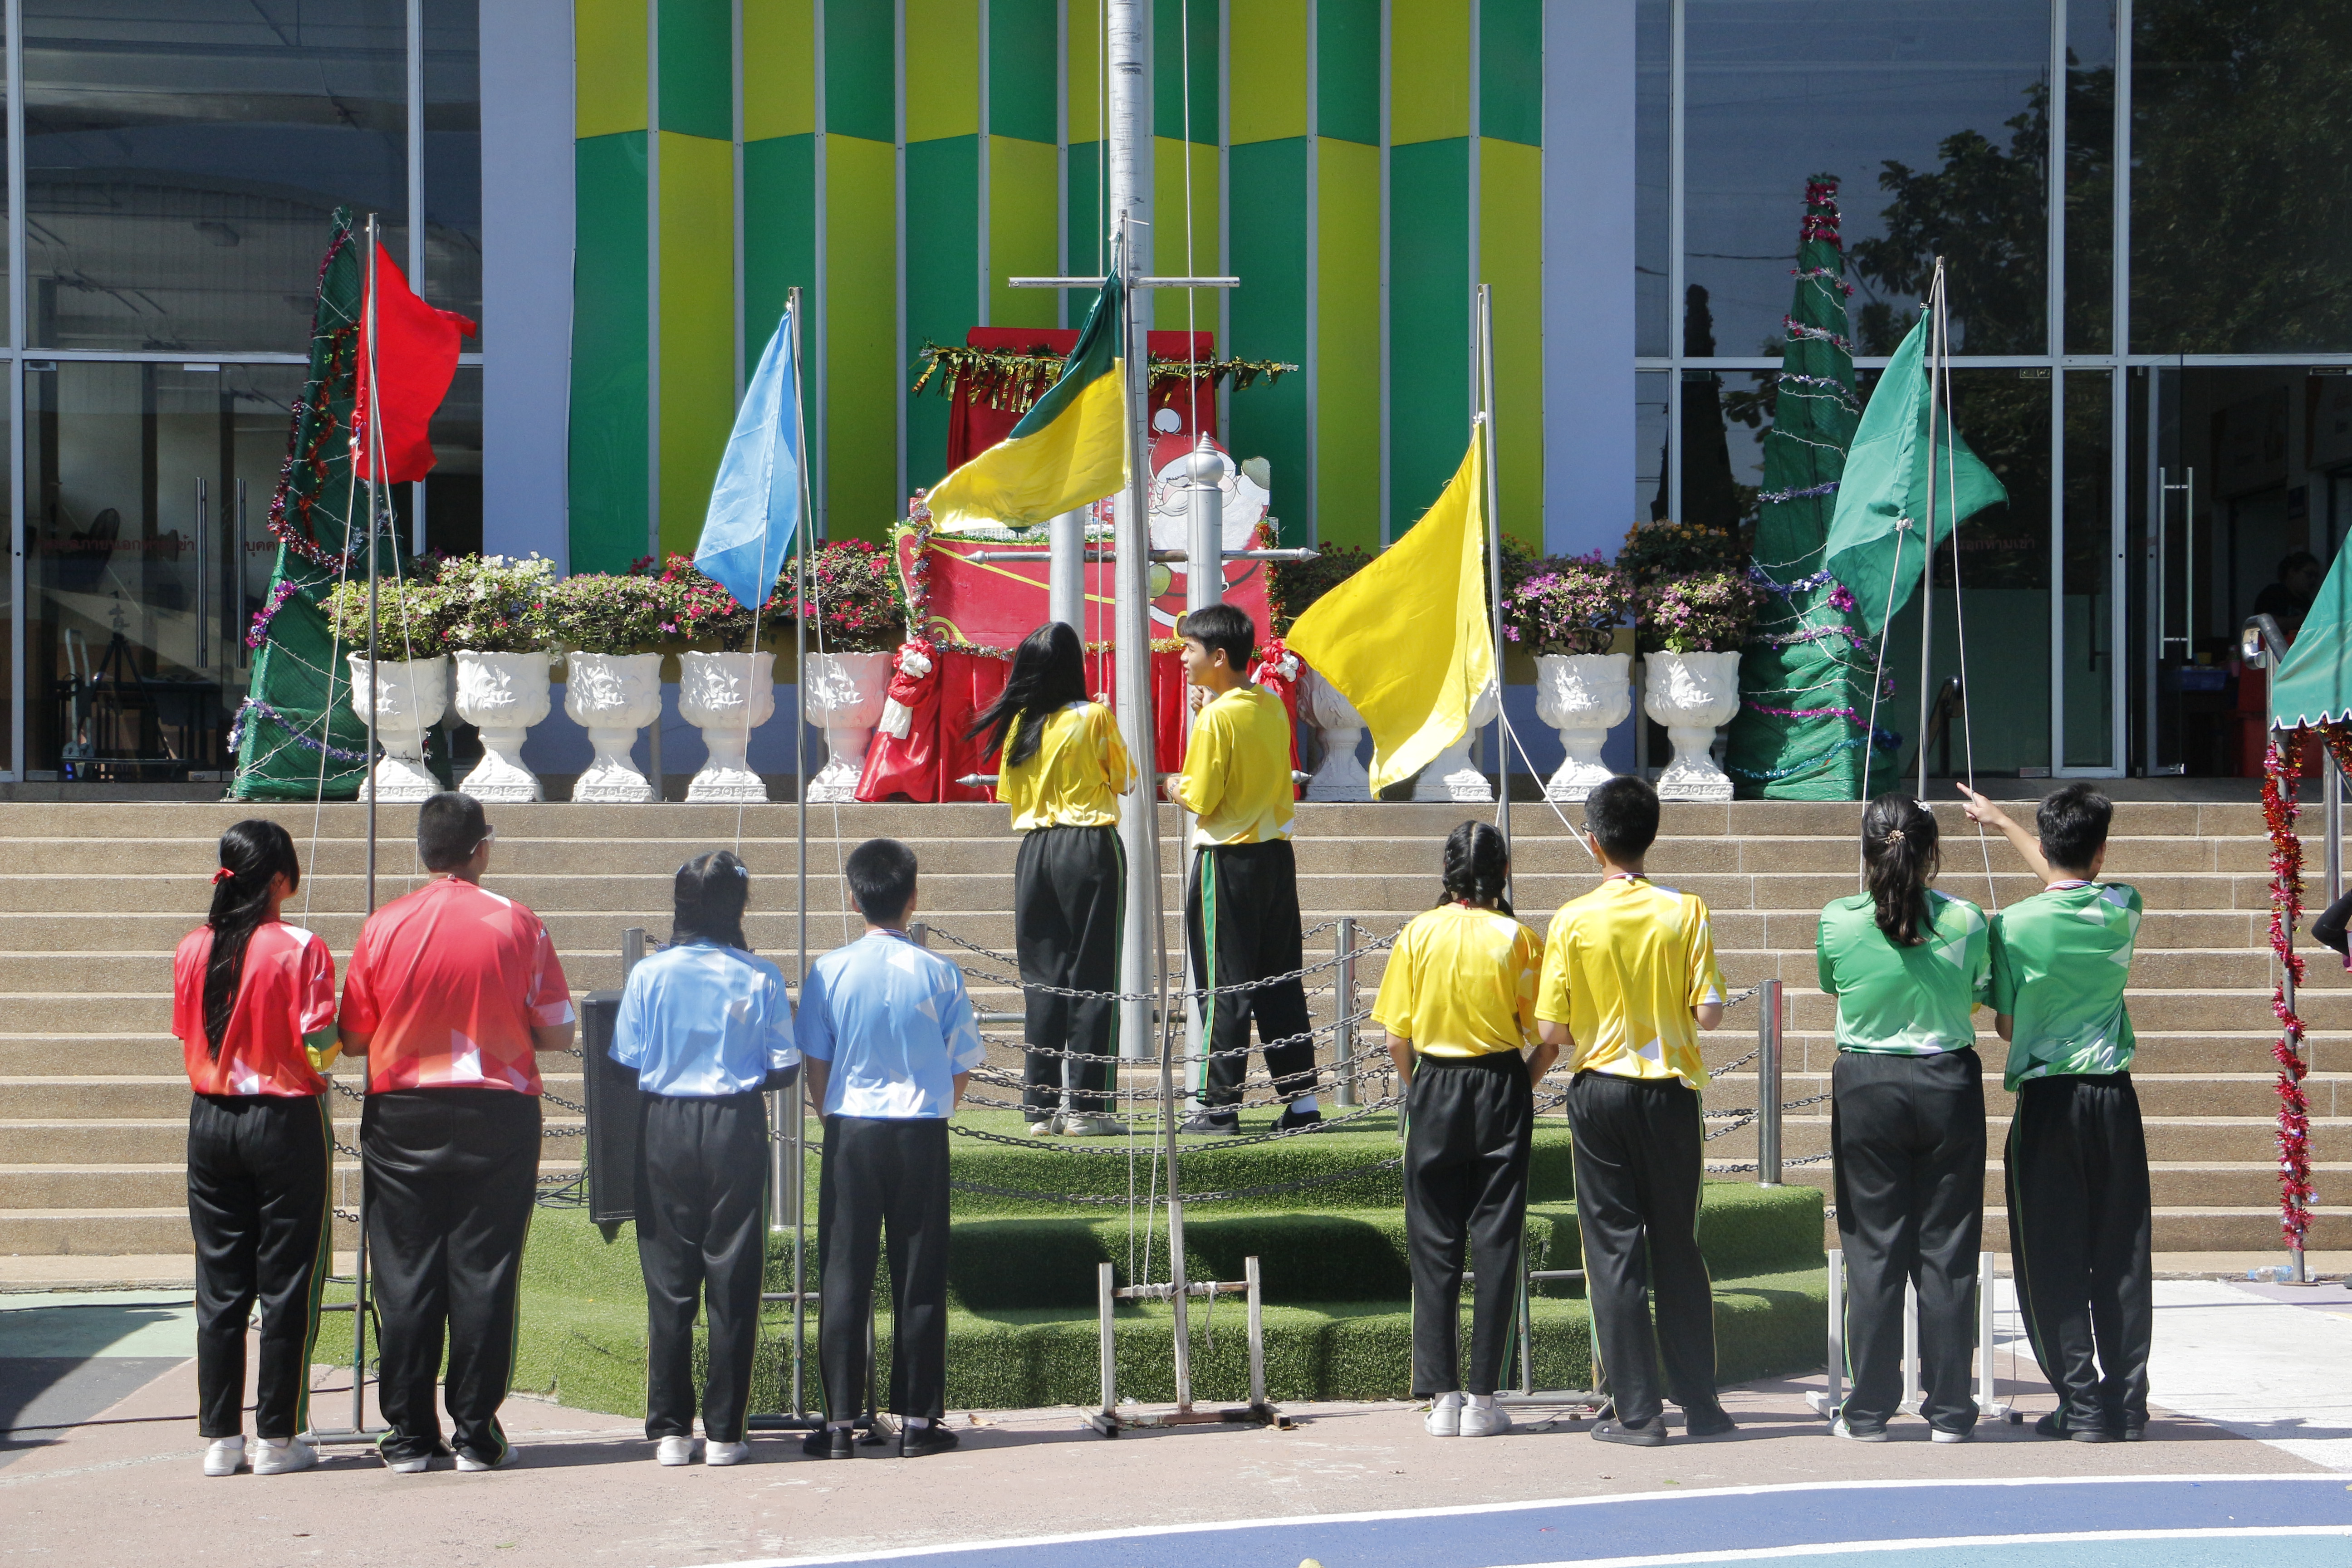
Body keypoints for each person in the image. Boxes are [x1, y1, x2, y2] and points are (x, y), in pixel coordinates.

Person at [337, 793, 576, 1474]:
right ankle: (476, 1432)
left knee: (404, 1272)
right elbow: (558, 1032)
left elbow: (354, 1038)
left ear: (423, 850)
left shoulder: (384, 925)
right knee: (485, 1271)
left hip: (402, 1111)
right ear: (481, 849)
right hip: (496, 1111)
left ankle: (409, 1435)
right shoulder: (518, 922)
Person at [1535, 775, 1736, 1446]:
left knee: (1613, 1250)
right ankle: (1702, 1405)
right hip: (1670, 1090)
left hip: (1600, 1090)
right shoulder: (1687, 909)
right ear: (1652, 835)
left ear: (1592, 841)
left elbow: (1551, 1031)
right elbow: (1709, 1013)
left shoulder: (1571, 918)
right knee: (1677, 1245)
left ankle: (1639, 1412)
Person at [1960, 781, 2150, 1442]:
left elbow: (2008, 1027)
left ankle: (2081, 1403)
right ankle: (2127, 1405)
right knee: (2123, 1255)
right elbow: (2069, 878)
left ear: (2046, 844)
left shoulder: (2013, 925)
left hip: (2048, 1103)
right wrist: (2006, 825)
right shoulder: (2124, 906)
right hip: (2114, 1099)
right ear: (2102, 853)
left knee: (2051, 1258)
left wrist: (2006, 825)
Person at [797, 838, 986, 1460]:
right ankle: (918, 1421)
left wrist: (830, 1113)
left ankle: (838, 1423)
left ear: (854, 899)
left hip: (851, 1126)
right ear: (913, 898)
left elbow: (816, 1061)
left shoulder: (829, 970)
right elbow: (963, 1061)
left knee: (844, 1273)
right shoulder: (940, 972)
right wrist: (937, 1106)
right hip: (919, 1127)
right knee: (919, 1273)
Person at [611, 851, 799, 1468]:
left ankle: (670, 1429)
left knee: (669, 1280)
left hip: (664, 1123)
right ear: (737, 907)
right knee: (733, 1279)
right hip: (734, 1125)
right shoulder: (760, 975)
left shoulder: (649, 974)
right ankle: (725, 1431)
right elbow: (784, 1068)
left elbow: (626, 1062)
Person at [1816, 796, 1992, 1445]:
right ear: (1931, 851)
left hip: (1868, 1084)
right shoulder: (1967, 918)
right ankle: (1950, 1410)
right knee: (1948, 1249)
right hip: (1947, 1081)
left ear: (1868, 851)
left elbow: (1832, 984)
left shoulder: (1838, 919)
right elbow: (1978, 993)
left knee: (1874, 1249)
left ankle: (1867, 1411)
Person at [172, 819, 338, 1478]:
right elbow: (321, 1048)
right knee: (287, 1282)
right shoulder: (302, 947)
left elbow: (186, 1030)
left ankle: (220, 1438)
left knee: (219, 1284)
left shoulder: (192, 946)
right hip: (284, 1120)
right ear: (278, 879)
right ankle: (277, 1435)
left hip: (210, 1120)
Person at [1373, 821, 1550, 1440]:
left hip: (1436, 1081)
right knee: (1497, 1239)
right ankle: (1483, 1397)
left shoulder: (1418, 933)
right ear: (1504, 873)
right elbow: (1549, 1038)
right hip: (1502, 1081)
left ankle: (1441, 1395)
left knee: (1434, 1242)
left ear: (1446, 872)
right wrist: (1519, 1085)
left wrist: (1418, 1087)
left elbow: (1396, 1039)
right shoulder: (1519, 938)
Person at [967, 621, 1135, 1137]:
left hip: (1036, 851)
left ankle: (1040, 1107)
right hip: (1089, 846)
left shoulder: (1021, 724)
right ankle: (1087, 1107)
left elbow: (1010, 794)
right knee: (1094, 976)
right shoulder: (1094, 716)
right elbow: (1126, 780)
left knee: (1042, 981)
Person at [1166, 602, 1317, 1136]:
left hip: (1227, 861)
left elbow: (1201, 797)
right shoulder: (1270, 705)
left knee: (1223, 986)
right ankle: (1302, 1104)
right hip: (1275, 856)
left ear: (1219, 656)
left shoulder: (1216, 718)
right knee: (1280, 983)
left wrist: (1172, 786)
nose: (1182, 657)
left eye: (1189, 648)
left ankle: (1218, 1107)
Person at [2251, 549, 2324, 638]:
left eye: (2316, 577)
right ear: (2292, 573)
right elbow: (2269, 625)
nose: (2313, 580)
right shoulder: (2273, 594)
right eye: (2309, 574)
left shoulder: (2306, 602)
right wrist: (2307, 618)